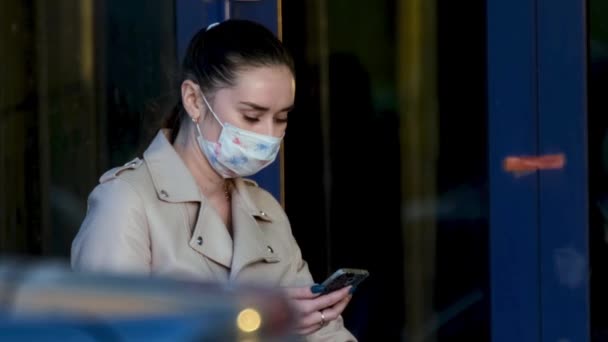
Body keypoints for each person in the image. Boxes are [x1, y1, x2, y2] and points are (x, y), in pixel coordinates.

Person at [71, 20, 357, 340]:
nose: (268, 134)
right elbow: (110, 333)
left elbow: (325, 334)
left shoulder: (265, 210)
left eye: (281, 118)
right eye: (251, 115)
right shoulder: (125, 202)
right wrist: (256, 323)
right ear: (194, 100)